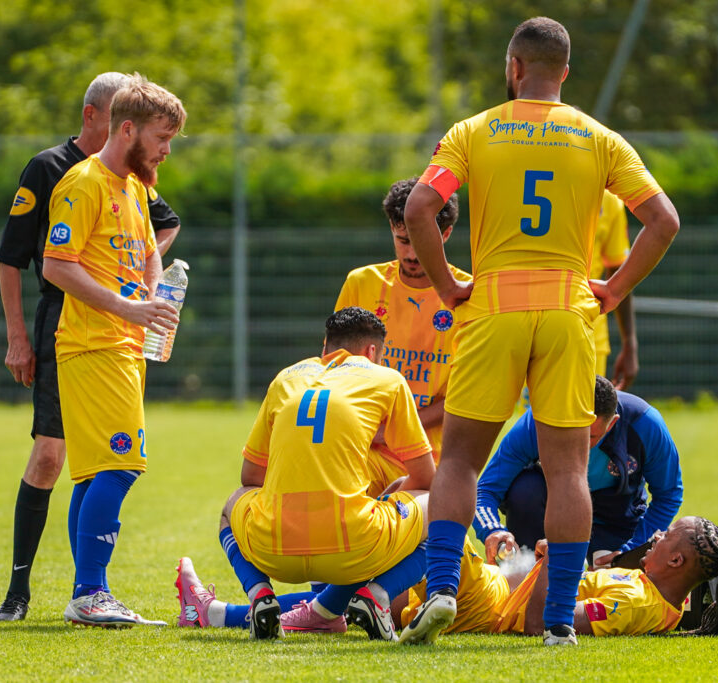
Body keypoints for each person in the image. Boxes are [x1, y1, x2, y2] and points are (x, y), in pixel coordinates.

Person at [399, 16, 680, 646]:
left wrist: (447, 286)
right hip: (566, 314)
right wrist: (616, 287)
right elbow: (663, 221)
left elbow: (420, 206)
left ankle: (443, 587)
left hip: (495, 306)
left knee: (462, 460)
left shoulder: (472, 132)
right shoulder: (599, 138)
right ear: (566, 73)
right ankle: (557, 622)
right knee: (568, 472)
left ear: (513, 68)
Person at [0, 72, 182, 622]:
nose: (166, 151)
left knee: (97, 469)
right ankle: (89, 593)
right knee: (121, 465)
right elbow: (55, 264)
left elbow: (148, 250)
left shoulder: (135, 187)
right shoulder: (80, 182)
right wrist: (128, 309)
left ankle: (86, 593)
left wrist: (151, 301)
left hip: (122, 342)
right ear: (127, 129)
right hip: (91, 343)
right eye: (162, 139)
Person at [217, 307, 436, 640]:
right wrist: (392, 497)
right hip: (354, 549)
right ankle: (377, 595)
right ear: (372, 352)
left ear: (325, 347)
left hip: (273, 550)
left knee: (231, 504)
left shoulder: (285, 378)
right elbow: (427, 477)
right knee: (442, 503)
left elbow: (250, 477)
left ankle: (260, 594)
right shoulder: (388, 380)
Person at [397, 516, 718, 638]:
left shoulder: (638, 605)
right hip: (493, 583)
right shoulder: (651, 591)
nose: (656, 535)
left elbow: (543, 623)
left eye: (666, 534)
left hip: (487, 605)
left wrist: (557, 555)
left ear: (675, 560)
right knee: (412, 514)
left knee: (436, 509)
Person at [474, 376, 682, 567]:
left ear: (612, 423)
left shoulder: (645, 424)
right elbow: (486, 489)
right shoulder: (539, 421)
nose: (578, 444)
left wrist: (629, 551)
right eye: (572, 431)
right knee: (525, 490)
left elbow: (668, 495)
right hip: (553, 516)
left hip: (616, 521)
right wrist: (493, 530)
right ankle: (524, 575)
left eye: (590, 437)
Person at [335, 177, 467, 470]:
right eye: (403, 241)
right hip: (364, 447)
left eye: (421, 242)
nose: (411, 254)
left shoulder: (470, 295)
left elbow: (466, 393)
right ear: (392, 231)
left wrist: (397, 431)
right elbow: (335, 366)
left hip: (430, 458)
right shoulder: (362, 283)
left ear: (445, 234)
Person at [594, 192, 638, 389]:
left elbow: (617, 270)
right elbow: (663, 221)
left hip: (589, 330)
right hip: (532, 323)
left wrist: (629, 342)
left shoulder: (609, 200)